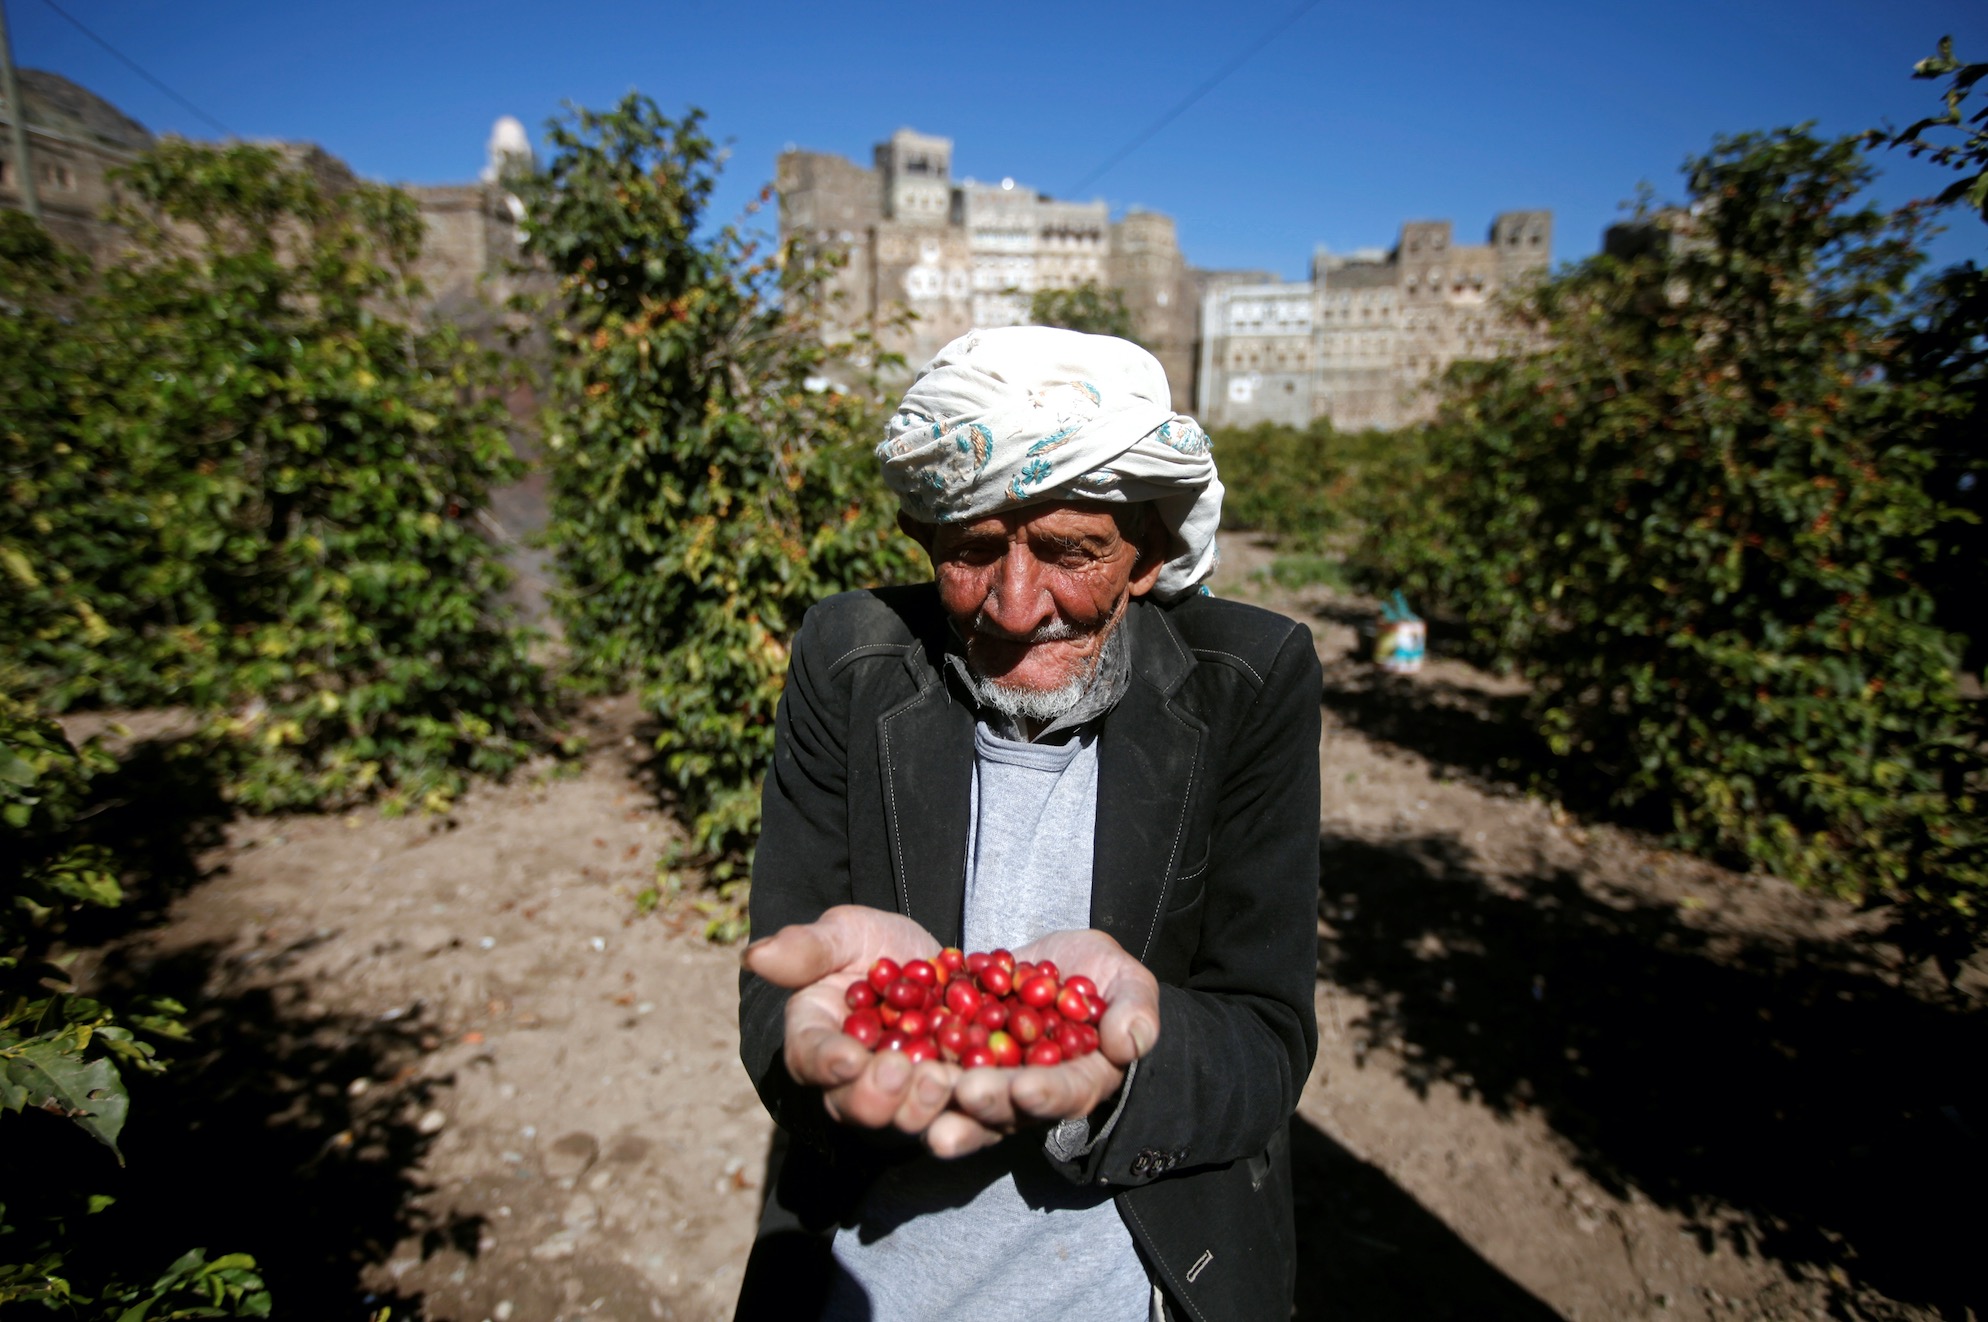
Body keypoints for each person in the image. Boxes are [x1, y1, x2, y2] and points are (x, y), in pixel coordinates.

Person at [735, 327, 1321, 1322]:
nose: (1013, 607)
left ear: (1147, 556)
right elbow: (781, 992)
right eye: (972, 550)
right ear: (926, 540)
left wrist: (1123, 1067)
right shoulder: (849, 662)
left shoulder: (1246, 686)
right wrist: (821, 1062)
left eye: (1070, 552)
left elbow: (1264, 1038)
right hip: (874, 1279)